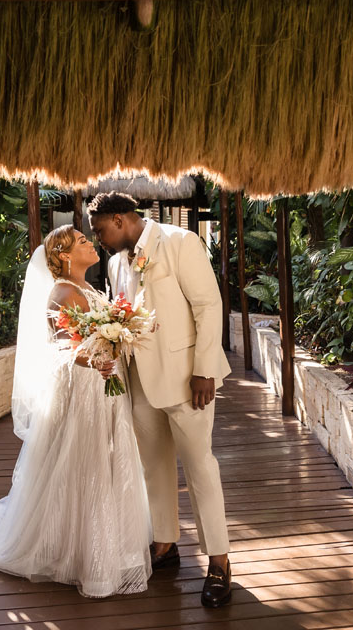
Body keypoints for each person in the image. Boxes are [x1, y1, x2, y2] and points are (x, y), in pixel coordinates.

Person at [0, 225, 152, 598]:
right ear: (65, 256)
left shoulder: (87, 288)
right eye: (82, 242)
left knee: (105, 461)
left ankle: (108, 543)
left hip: (103, 386)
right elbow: (65, 347)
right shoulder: (63, 291)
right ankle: (78, 552)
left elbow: (96, 336)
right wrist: (100, 357)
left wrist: (117, 341)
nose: (90, 244)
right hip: (84, 389)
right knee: (84, 465)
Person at [89, 191, 234, 608]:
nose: (98, 239)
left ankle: (220, 562)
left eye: (100, 230)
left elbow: (208, 306)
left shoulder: (179, 242)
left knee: (201, 469)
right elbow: (122, 319)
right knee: (153, 468)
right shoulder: (116, 264)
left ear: (119, 219)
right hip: (140, 385)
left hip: (188, 381)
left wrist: (205, 369)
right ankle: (165, 544)